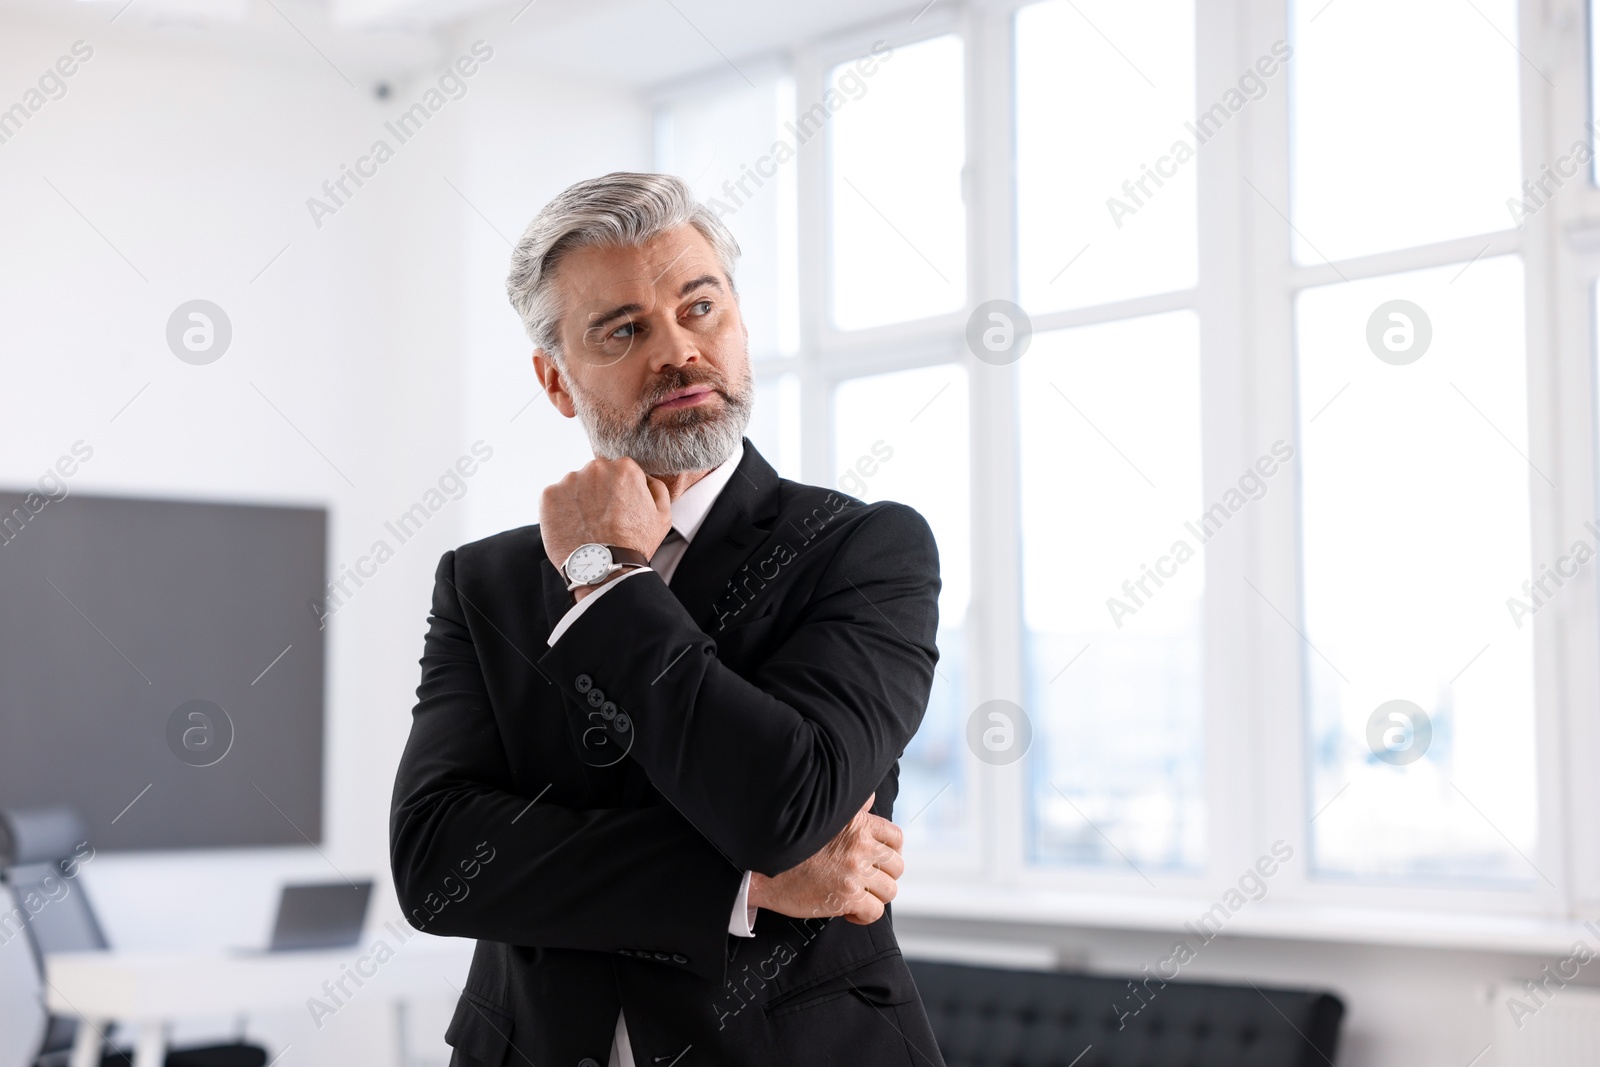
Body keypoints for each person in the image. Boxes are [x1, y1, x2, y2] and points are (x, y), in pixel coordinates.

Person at [390, 171, 946, 1066]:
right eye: (625, 330)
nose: (679, 351)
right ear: (556, 381)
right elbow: (438, 863)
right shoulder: (484, 580)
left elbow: (785, 804)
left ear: (741, 326)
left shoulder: (861, 550)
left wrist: (607, 583)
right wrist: (746, 883)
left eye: (700, 309)